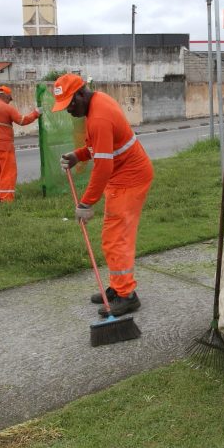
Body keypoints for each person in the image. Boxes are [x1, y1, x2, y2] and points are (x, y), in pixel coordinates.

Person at [53, 74, 154, 316]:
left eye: (70, 104)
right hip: (123, 177)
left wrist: (86, 202)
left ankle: (127, 295)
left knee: (116, 238)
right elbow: (100, 146)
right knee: (113, 237)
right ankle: (119, 288)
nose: (69, 111)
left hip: (129, 179)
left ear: (80, 94)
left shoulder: (98, 116)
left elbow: (103, 166)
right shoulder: (98, 101)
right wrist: (79, 155)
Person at [0, 86, 40, 203]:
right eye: (10, 98)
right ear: (6, 96)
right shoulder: (7, 108)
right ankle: (6, 199)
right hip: (4, 146)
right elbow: (22, 120)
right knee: (8, 172)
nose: (10, 101)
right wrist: (36, 113)